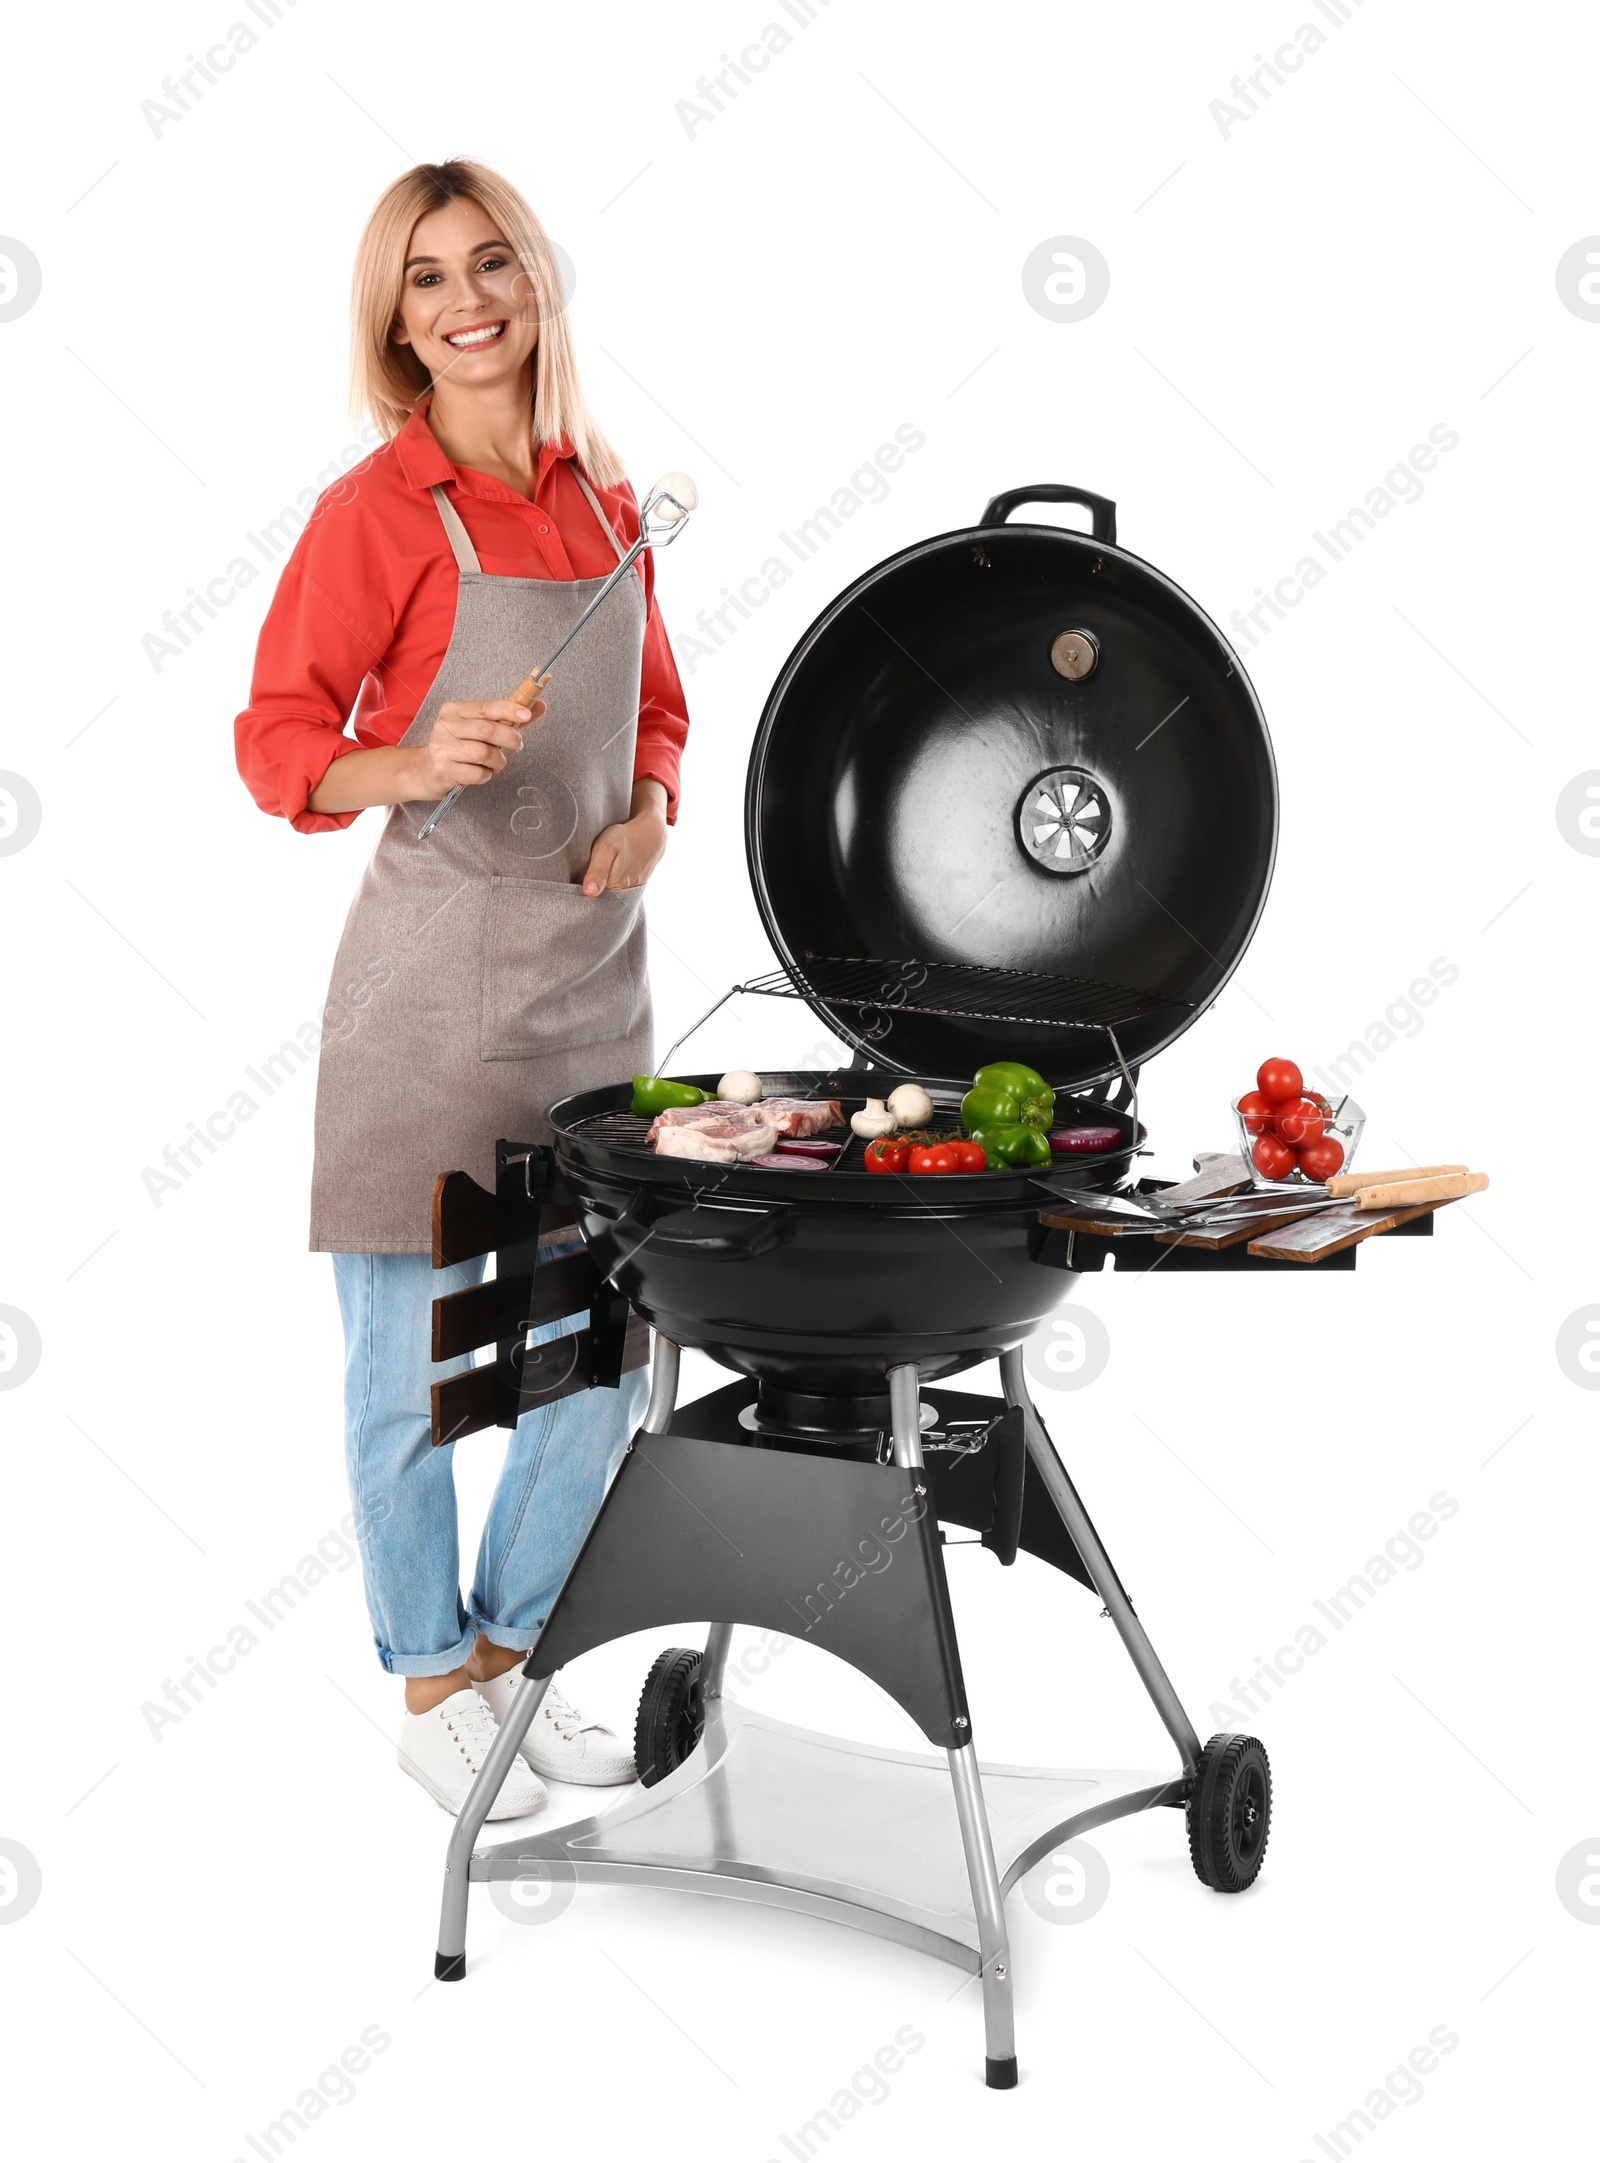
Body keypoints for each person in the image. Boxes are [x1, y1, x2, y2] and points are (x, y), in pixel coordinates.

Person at [234, 159, 688, 1819]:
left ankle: (507, 1658)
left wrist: (649, 815)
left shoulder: (605, 498)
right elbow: (275, 736)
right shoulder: (377, 514)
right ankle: (429, 1682)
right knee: (414, 1371)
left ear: (537, 280)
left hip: (592, 988)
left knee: (598, 1355)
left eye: (491, 261)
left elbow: (661, 711)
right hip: (425, 999)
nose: (467, 298)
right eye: (426, 279)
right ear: (396, 322)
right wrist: (413, 757)